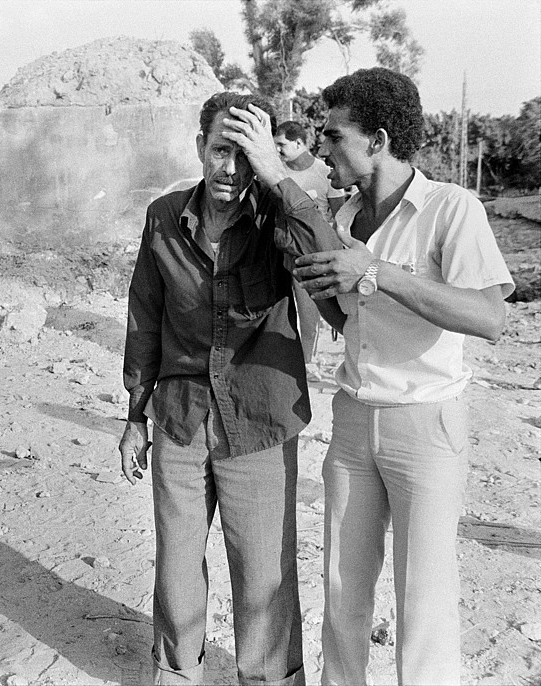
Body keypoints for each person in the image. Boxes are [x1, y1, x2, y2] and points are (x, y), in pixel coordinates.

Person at [293, 67, 513, 685]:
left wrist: (376, 272)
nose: (321, 148)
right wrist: (319, 281)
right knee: (342, 587)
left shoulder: (450, 209)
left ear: (379, 140)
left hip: (426, 424)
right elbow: (350, 319)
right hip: (353, 420)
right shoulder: (341, 219)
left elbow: (489, 317)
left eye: (333, 135)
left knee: (424, 596)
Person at [118, 91, 341, 685]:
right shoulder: (164, 217)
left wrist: (277, 176)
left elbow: (329, 261)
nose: (231, 168)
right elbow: (145, 316)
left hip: (260, 418)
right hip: (181, 415)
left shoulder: (278, 217)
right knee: (176, 565)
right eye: (221, 150)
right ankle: (177, 674)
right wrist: (135, 416)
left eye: (246, 154)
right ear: (200, 146)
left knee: (264, 572)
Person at [274, 121, 348, 364]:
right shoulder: (277, 173)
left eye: (281, 144)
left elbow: (340, 218)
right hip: (280, 252)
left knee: (309, 316)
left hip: (310, 256)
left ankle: (306, 364)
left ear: (298, 143)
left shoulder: (325, 171)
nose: (277, 150)